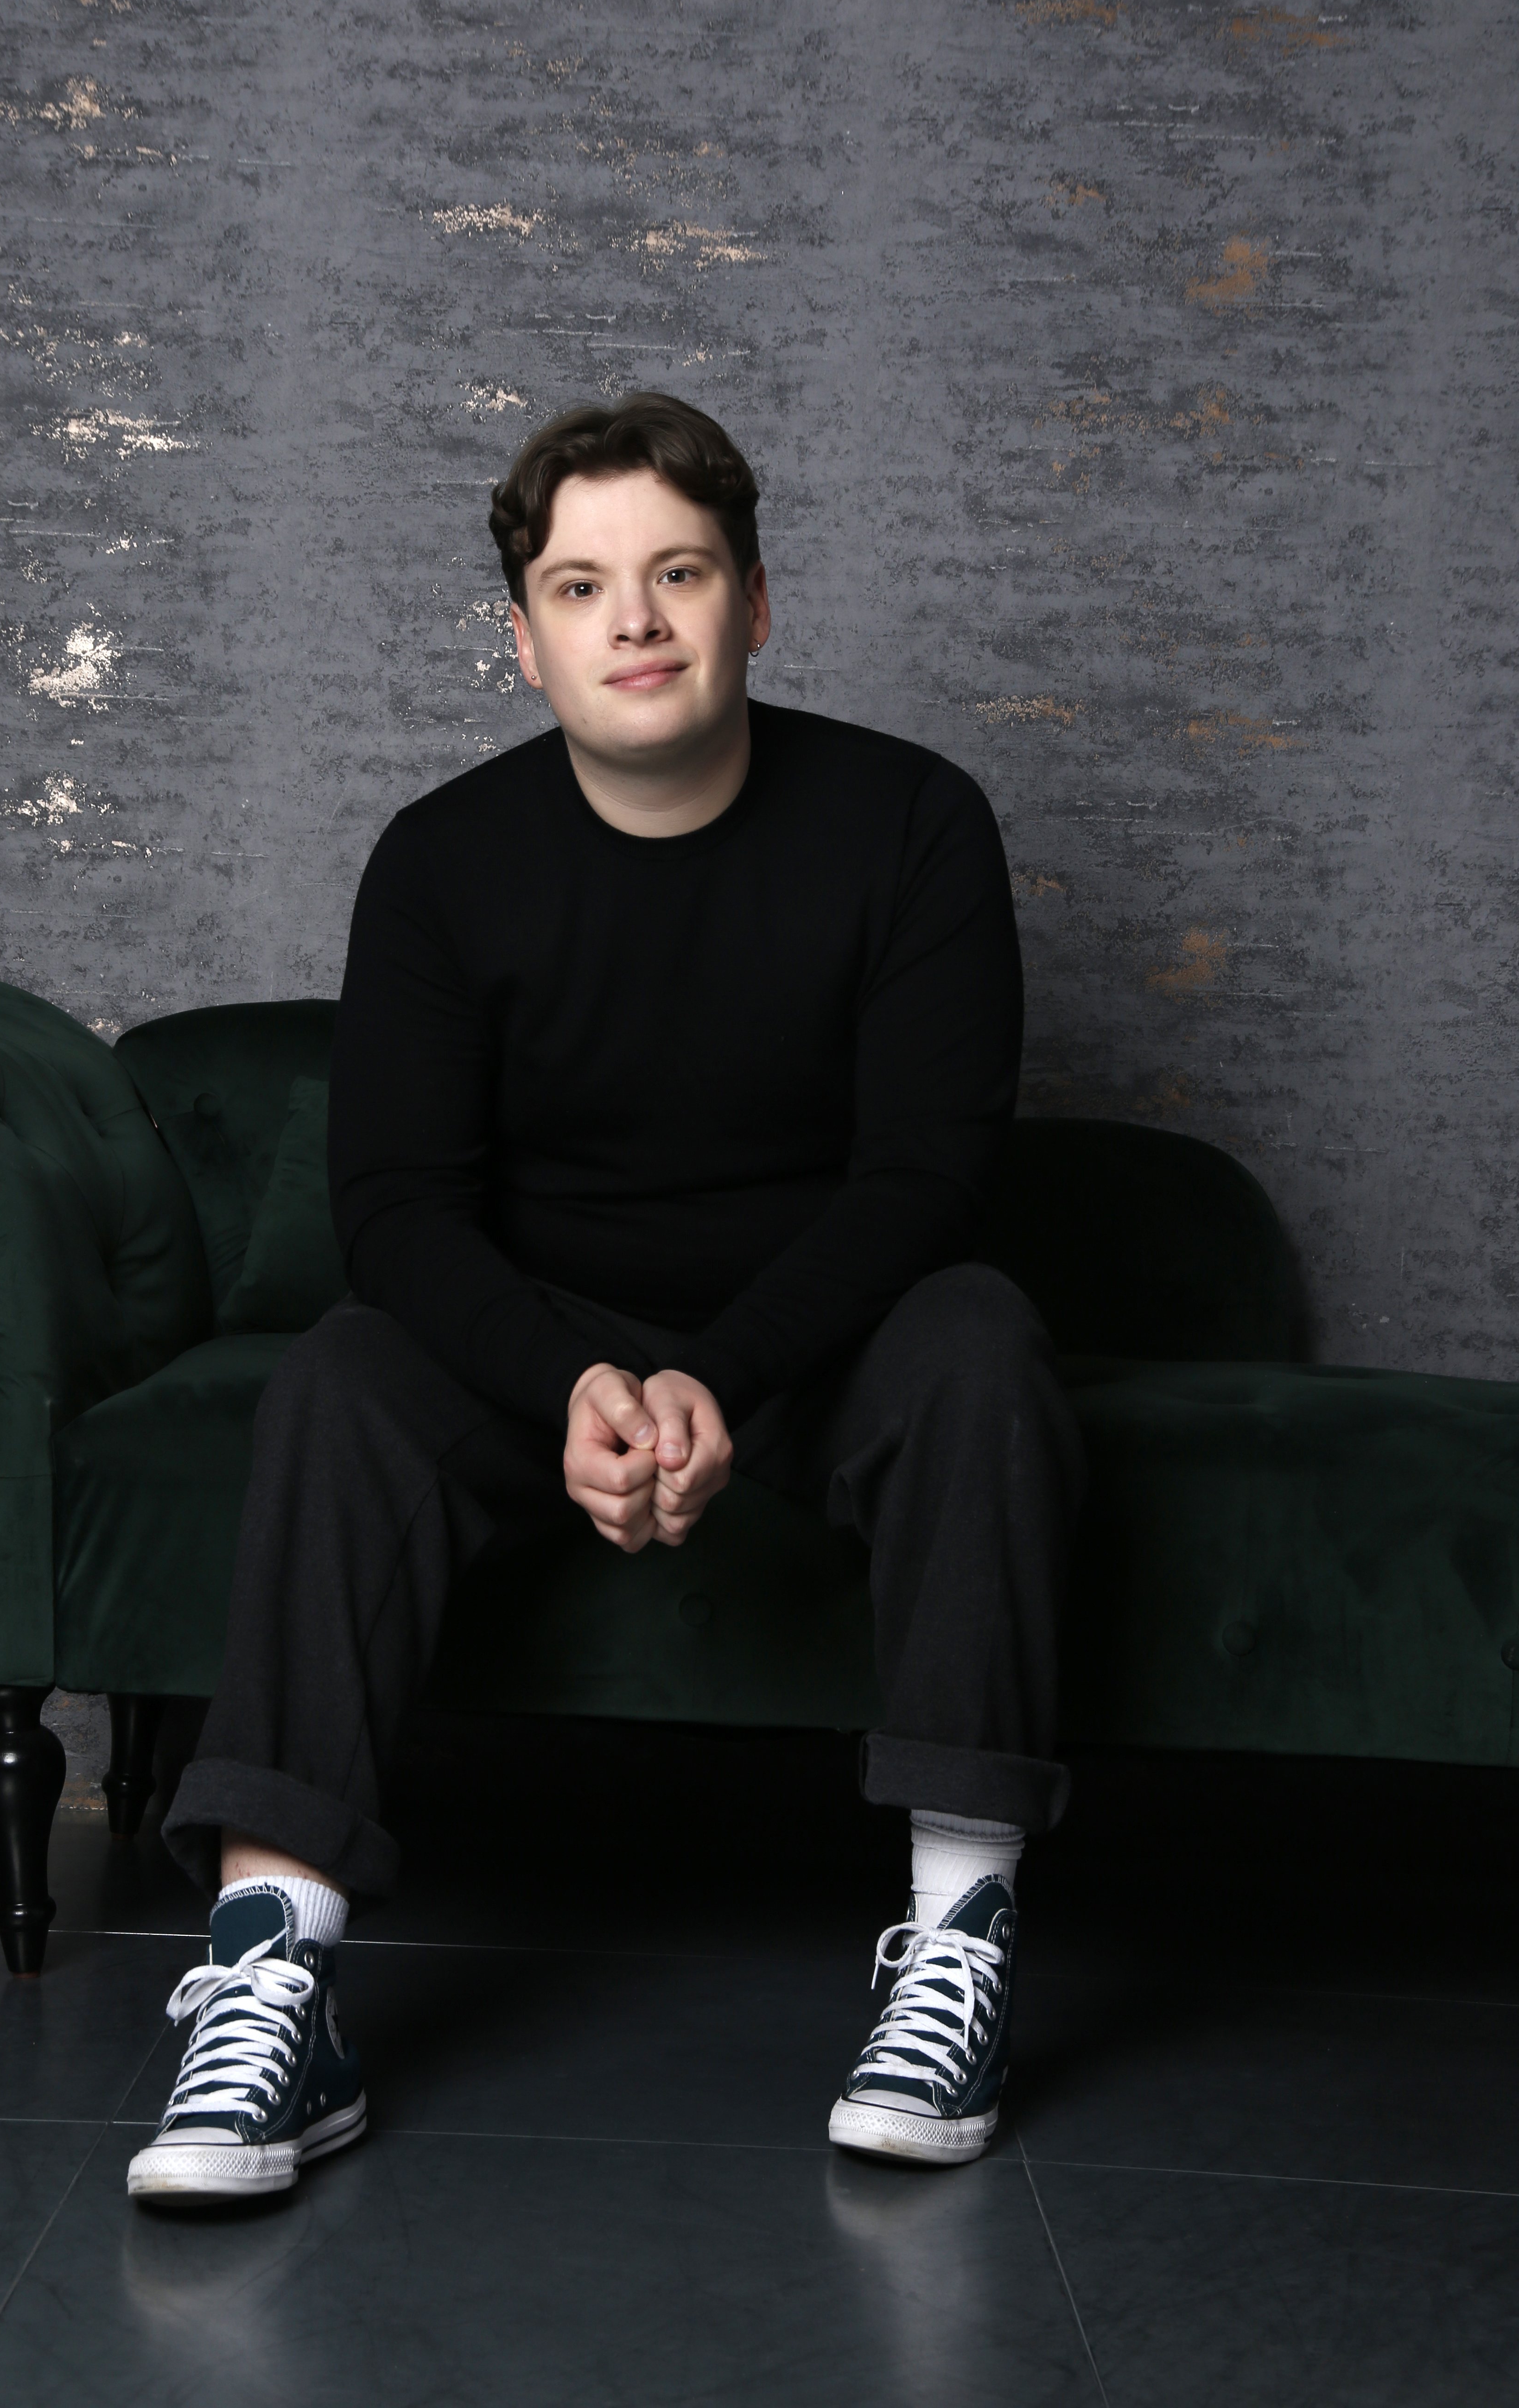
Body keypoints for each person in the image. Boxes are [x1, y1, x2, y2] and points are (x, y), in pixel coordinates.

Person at [128, 392, 1085, 2206]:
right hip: (537, 1345)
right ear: (526, 635)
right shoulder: (441, 860)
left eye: (678, 573)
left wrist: (719, 1375)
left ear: (754, 605)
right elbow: (397, 1211)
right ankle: (273, 1980)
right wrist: (580, 1374)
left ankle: (956, 1949)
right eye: (583, 584)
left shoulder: (913, 827)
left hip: (826, 1337)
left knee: (981, 1338)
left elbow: (927, 1181)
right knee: (341, 1374)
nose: (633, 619)